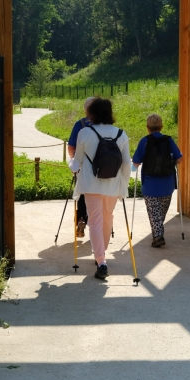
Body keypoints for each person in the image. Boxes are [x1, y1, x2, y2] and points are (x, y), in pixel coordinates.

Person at [69, 98, 131, 279]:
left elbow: (77, 162)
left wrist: (71, 166)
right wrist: (123, 185)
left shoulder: (85, 132)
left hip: (91, 184)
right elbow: (126, 164)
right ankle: (101, 254)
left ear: (92, 114)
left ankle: (101, 261)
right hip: (113, 184)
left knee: (94, 221)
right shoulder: (121, 134)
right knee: (108, 217)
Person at [132, 113, 182, 248]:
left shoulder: (145, 141)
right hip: (167, 184)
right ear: (161, 126)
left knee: (154, 213)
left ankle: (158, 235)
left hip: (150, 184)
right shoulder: (169, 140)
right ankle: (157, 233)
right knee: (161, 212)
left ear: (147, 127)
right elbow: (179, 159)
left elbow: (136, 161)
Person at [68, 96, 95, 238]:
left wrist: (75, 164)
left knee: (83, 194)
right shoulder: (105, 125)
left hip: (83, 167)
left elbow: (71, 148)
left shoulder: (80, 125)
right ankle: (98, 225)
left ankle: (81, 219)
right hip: (101, 169)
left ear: (85, 110)